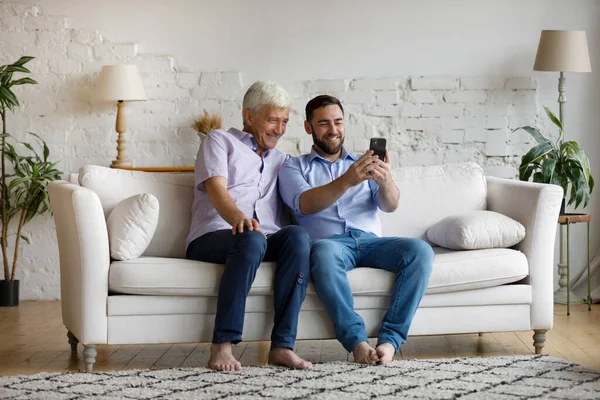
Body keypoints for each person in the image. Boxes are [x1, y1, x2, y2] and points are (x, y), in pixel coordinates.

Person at [278, 95, 434, 365]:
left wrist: (385, 181)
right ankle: (357, 343)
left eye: (338, 122)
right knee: (323, 252)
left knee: (420, 250)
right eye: (324, 123)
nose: (333, 130)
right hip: (330, 245)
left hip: (371, 242)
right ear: (308, 127)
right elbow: (306, 204)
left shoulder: (365, 162)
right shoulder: (294, 166)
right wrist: (348, 180)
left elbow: (391, 205)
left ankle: (389, 341)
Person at [186, 81, 312, 371]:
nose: (280, 129)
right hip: (213, 236)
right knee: (251, 238)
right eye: (272, 120)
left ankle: (282, 346)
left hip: (261, 238)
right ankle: (222, 346)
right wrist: (238, 219)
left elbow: (305, 196)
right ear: (248, 117)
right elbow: (217, 189)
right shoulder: (219, 141)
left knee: (297, 237)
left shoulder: (283, 160)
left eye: (284, 121)